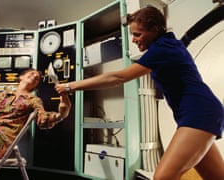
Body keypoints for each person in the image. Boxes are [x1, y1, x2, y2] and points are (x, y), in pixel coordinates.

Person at [55, 6, 224, 180]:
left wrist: (70, 86)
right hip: (202, 112)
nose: (134, 40)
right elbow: (187, 40)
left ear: (155, 30)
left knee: (162, 177)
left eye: (137, 34)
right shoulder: (170, 44)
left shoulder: (162, 49)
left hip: (199, 113)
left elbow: (117, 77)